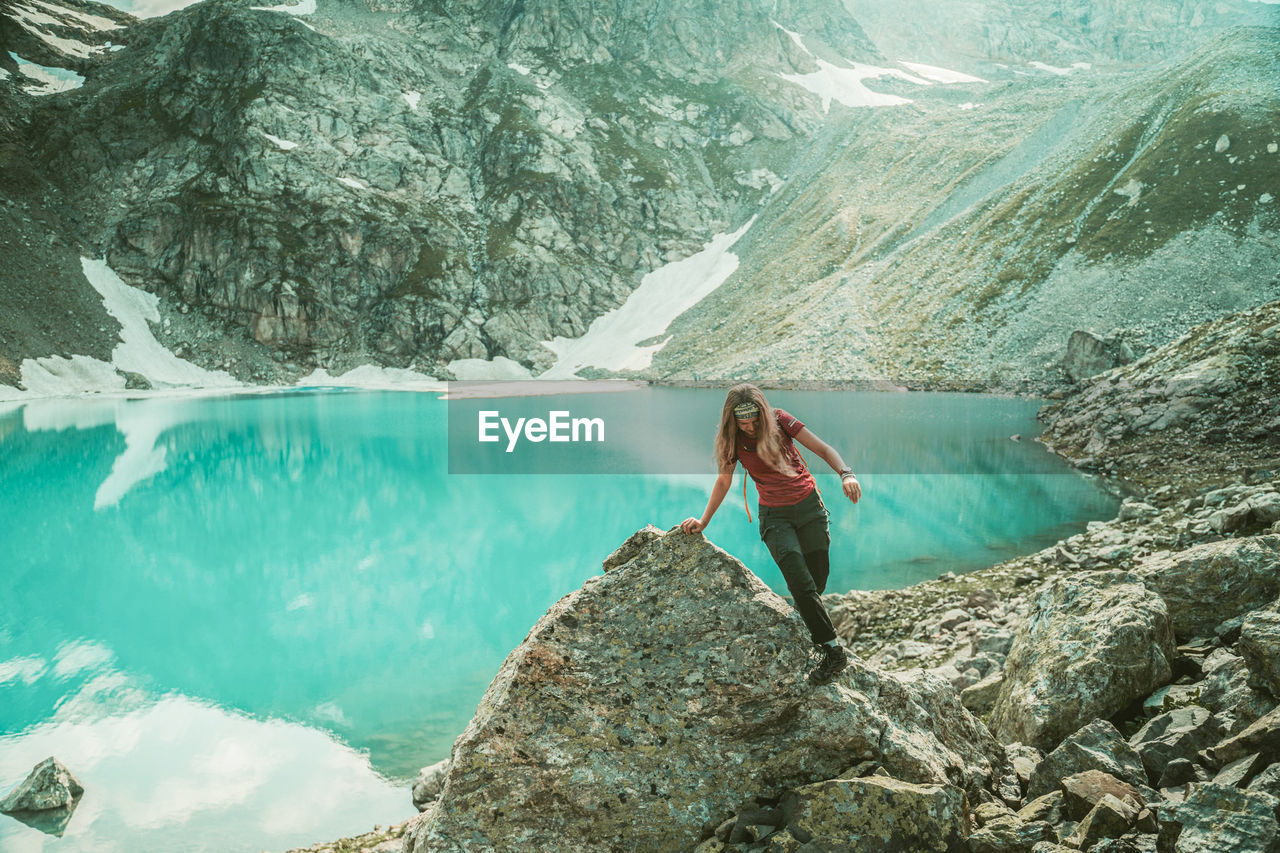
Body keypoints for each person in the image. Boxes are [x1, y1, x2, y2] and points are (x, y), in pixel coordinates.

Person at [680, 383, 862, 686]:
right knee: (801, 585)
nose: (750, 427)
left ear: (763, 414)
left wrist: (846, 473)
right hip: (774, 518)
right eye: (743, 422)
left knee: (816, 583)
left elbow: (823, 448)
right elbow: (724, 482)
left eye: (754, 421)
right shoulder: (732, 440)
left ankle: (807, 633)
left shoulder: (781, 421)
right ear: (732, 420)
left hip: (810, 510)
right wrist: (704, 520)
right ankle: (832, 652)